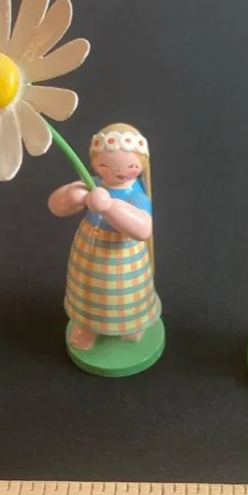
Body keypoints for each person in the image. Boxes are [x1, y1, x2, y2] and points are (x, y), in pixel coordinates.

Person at [48, 123, 161, 351]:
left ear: (141, 164)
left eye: (131, 166)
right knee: (88, 290)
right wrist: (73, 196)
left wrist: (109, 206)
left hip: (123, 254)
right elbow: (55, 206)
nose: (119, 173)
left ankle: (132, 323)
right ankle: (86, 326)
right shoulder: (93, 184)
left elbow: (143, 229)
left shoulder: (136, 194)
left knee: (125, 295)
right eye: (104, 166)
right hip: (90, 250)